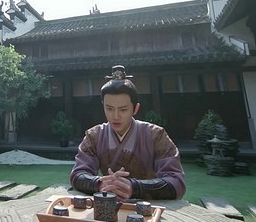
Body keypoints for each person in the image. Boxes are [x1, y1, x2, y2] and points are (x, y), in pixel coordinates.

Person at [70, 65, 186, 201]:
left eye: (123, 109)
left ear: (135, 108)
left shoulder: (156, 135)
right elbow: (77, 174)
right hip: (109, 204)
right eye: (109, 108)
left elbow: (176, 182)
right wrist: (99, 183)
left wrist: (135, 187)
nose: (115, 116)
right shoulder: (94, 136)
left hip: (147, 206)